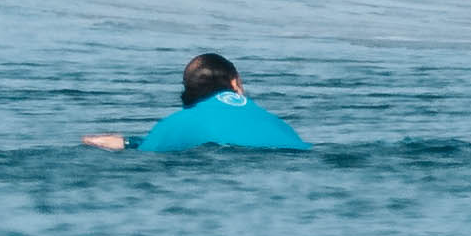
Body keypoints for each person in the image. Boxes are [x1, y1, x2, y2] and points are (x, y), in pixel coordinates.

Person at [90, 52, 314, 154]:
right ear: (235, 83)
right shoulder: (281, 126)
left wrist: (128, 144)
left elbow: (150, 150)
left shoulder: (169, 128)